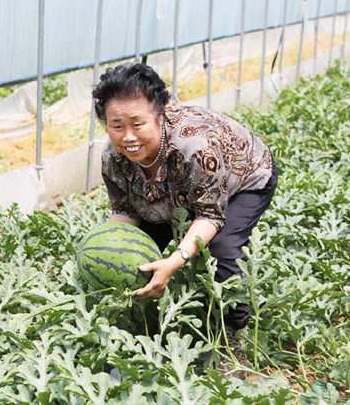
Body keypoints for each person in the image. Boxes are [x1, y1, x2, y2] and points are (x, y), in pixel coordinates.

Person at [94, 62, 277, 330]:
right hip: (177, 191)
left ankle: (234, 328)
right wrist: (109, 248)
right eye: (117, 126)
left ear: (160, 116)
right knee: (143, 247)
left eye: (137, 123)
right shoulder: (113, 157)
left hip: (245, 177)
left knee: (222, 248)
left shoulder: (195, 148)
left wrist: (177, 258)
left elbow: (209, 215)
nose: (128, 137)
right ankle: (146, 316)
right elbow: (125, 211)